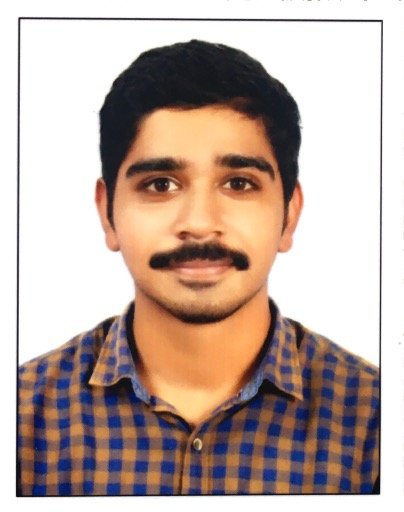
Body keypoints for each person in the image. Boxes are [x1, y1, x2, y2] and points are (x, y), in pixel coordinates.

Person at [18, 39, 379, 496]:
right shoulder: (21, 420)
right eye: (161, 184)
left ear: (289, 215)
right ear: (107, 213)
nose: (200, 223)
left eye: (239, 183)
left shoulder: (377, 424)